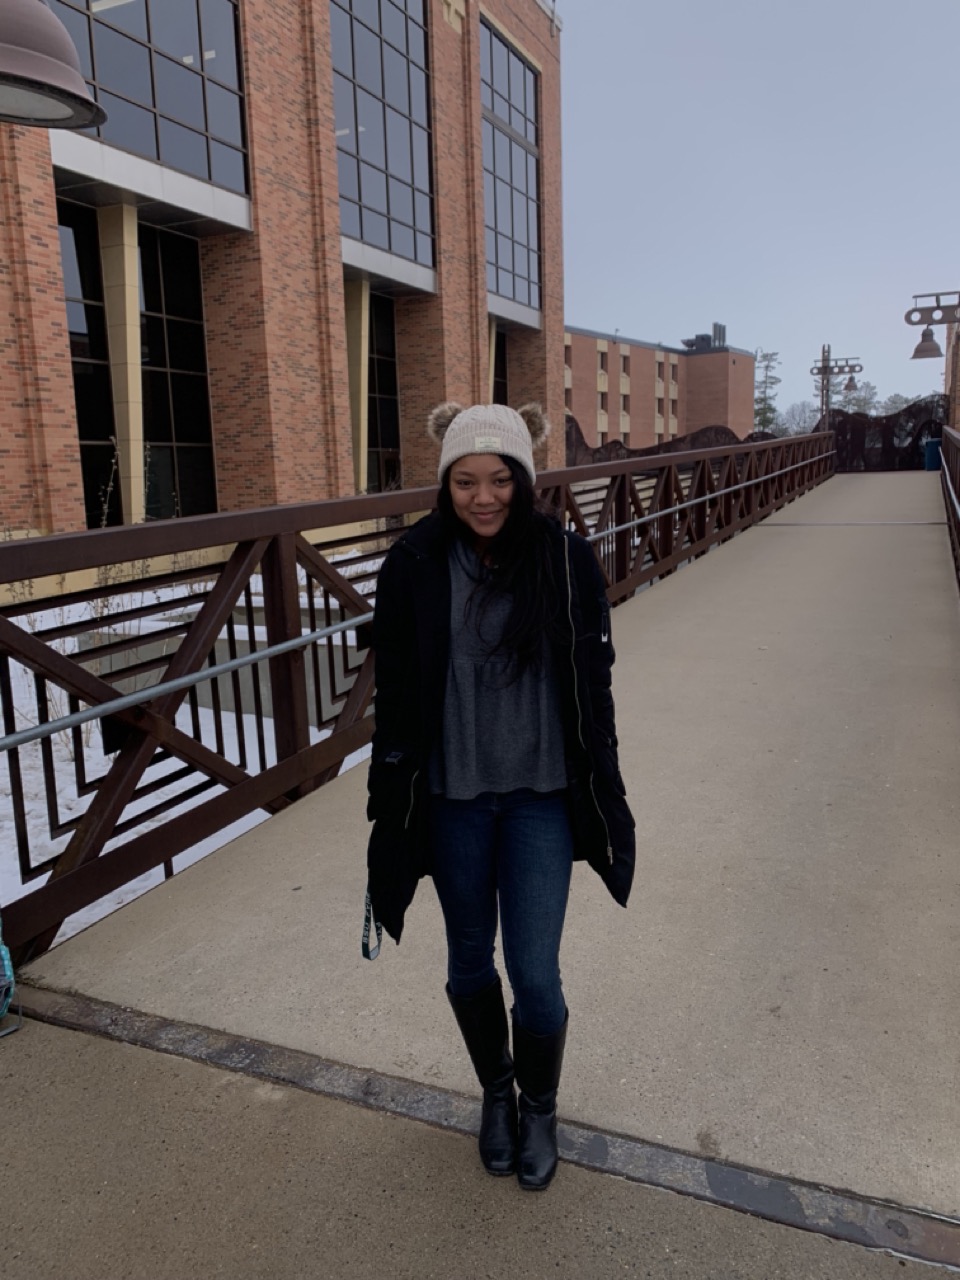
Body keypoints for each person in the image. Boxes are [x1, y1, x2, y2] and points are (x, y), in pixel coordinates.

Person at [364, 402, 635, 1191]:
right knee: (466, 967)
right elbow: (399, 694)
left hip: (540, 801)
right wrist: (391, 798)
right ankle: (496, 1094)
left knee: (537, 977)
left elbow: (595, 684)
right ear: (446, 484)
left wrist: (606, 780)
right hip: (452, 798)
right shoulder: (413, 564)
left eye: (500, 480)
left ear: (526, 479)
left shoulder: (564, 560)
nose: (484, 497)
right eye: (465, 481)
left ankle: (541, 1104)